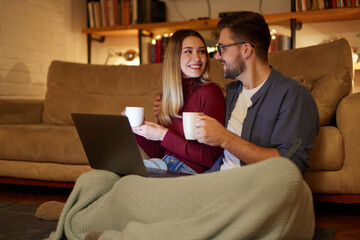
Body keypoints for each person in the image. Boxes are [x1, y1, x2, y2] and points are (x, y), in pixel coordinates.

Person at [187, 11, 320, 176]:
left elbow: (289, 166)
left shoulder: (293, 96)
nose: (217, 56)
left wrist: (224, 138)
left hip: (250, 191)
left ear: (245, 49)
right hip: (213, 182)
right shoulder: (231, 93)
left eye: (222, 48)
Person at [128, 29, 226, 174]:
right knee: (106, 176)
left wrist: (163, 134)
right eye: (188, 51)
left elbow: (212, 157)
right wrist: (136, 129)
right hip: (165, 166)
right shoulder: (166, 98)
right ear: (174, 57)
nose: (197, 58)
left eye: (201, 51)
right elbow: (161, 154)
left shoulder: (210, 92)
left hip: (189, 172)